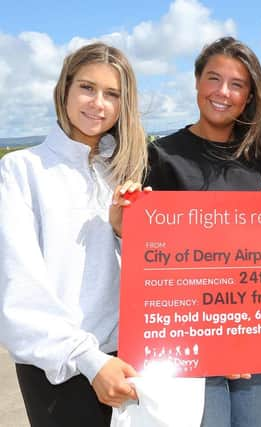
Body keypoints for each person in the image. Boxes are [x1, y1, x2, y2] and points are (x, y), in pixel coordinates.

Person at [110, 37, 261, 427]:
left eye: (237, 84)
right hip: (189, 339)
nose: (223, 92)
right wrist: (121, 221)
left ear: (249, 96)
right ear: (196, 83)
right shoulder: (160, 155)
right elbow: (144, 252)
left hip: (256, 337)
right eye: (214, 78)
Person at [0, 42, 147, 426]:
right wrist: (90, 360)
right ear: (64, 89)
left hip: (128, 364)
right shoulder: (19, 172)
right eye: (87, 87)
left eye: (112, 94)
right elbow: (20, 292)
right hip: (59, 371)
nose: (98, 103)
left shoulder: (122, 173)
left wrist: (123, 233)